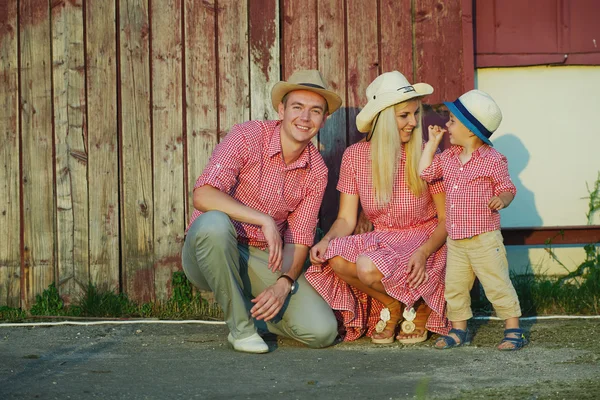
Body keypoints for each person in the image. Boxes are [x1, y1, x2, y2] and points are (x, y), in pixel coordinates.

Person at [181, 70, 341, 353]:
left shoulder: (317, 171)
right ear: (281, 109)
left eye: (315, 111)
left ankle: (244, 310)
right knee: (214, 224)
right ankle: (241, 330)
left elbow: (299, 239)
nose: (305, 118)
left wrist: (283, 284)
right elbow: (202, 195)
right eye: (297, 107)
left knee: (323, 331)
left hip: (261, 259)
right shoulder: (247, 136)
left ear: (323, 119)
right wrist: (262, 219)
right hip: (210, 249)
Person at [306, 71, 450, 344]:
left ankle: (422, 306)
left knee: (367, 266)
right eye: (404, 115)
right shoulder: (355, 156)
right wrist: (326, 241)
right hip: (385, 238)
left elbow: (446, 219)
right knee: (336, 257)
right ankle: (394, 305)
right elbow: (346, 219)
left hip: (426, 238)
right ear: (384, 119)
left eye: (415, 114)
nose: (414, 122)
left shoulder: (426, 152)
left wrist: (423, 252)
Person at [419, 89, 527, 351]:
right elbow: (424, 172)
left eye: (452, 121)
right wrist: (432, 144)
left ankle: (513, 329)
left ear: (470, 129)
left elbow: (508, 188)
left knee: (497, 283)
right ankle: (458, 331)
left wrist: (501, 199)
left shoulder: (493, 160)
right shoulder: (447, 158)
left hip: (484, 239)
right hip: (457, 240)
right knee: (455, 287)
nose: (447, 125)